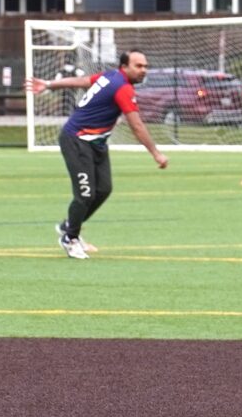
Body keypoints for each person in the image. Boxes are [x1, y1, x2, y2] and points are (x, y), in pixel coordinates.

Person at [25, 48, 168, 259]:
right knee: (85, 195)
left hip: (96, 144)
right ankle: (70, 238)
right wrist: (156, 153)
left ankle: (68, 226)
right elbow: (136, 126)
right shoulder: (122, 87)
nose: (143, 70)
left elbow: (83, 81)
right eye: (138, 66)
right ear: (124, 67)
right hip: (76, 140)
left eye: (145, 66)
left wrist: (49, 84)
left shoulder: (111, 76)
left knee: (103, 189)